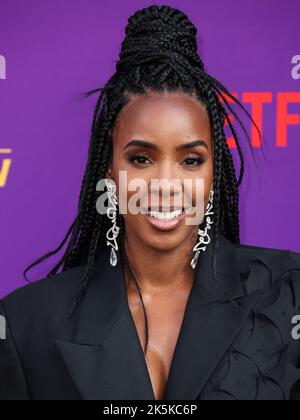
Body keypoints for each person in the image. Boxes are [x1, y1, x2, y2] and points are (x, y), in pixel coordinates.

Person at [1, 5, 300, 401]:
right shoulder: (25, 323)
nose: (164, 184)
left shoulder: (289, 291)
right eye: (141, 158)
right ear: (108, 169)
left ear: (215, 174)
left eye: (190, 160)